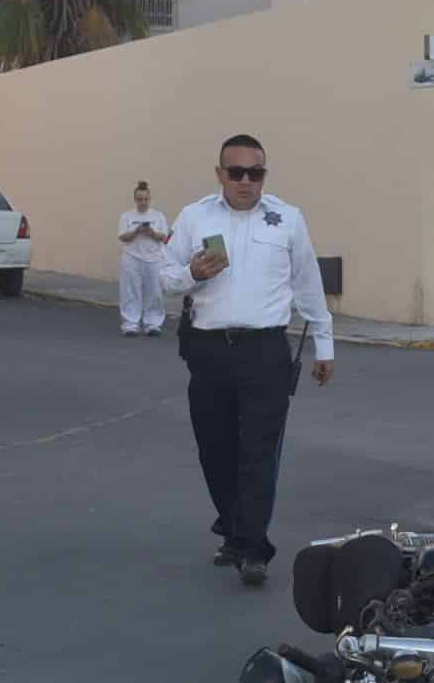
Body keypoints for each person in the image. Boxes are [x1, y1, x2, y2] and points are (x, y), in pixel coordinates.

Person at [160, 132, 335, 588]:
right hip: (209, 351)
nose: (245, 181)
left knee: (258, 453)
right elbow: (163, 275)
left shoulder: (287, 221)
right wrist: (191, 274)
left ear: (264, 176)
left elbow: (308, 284)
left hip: (265, 351)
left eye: (254, 173)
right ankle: (235, 530)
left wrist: (325, 343)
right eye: (235, 172)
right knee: (215, 450)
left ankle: (253, 548)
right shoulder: (194, 217)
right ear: (219, 174)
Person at [116, 180, 170, 337]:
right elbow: (122, 237)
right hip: (132, 257)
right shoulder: (126, 216)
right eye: (139, 199)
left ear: (150, 199)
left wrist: (152, 232)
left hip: (153, 259)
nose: (143, 202)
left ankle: (153, 323)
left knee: (154, 291)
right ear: (135, 200)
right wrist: (136, 231)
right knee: (130, 291)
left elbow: (164, 236)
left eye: (146, 199)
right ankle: (131, 324)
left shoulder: (158, 216)